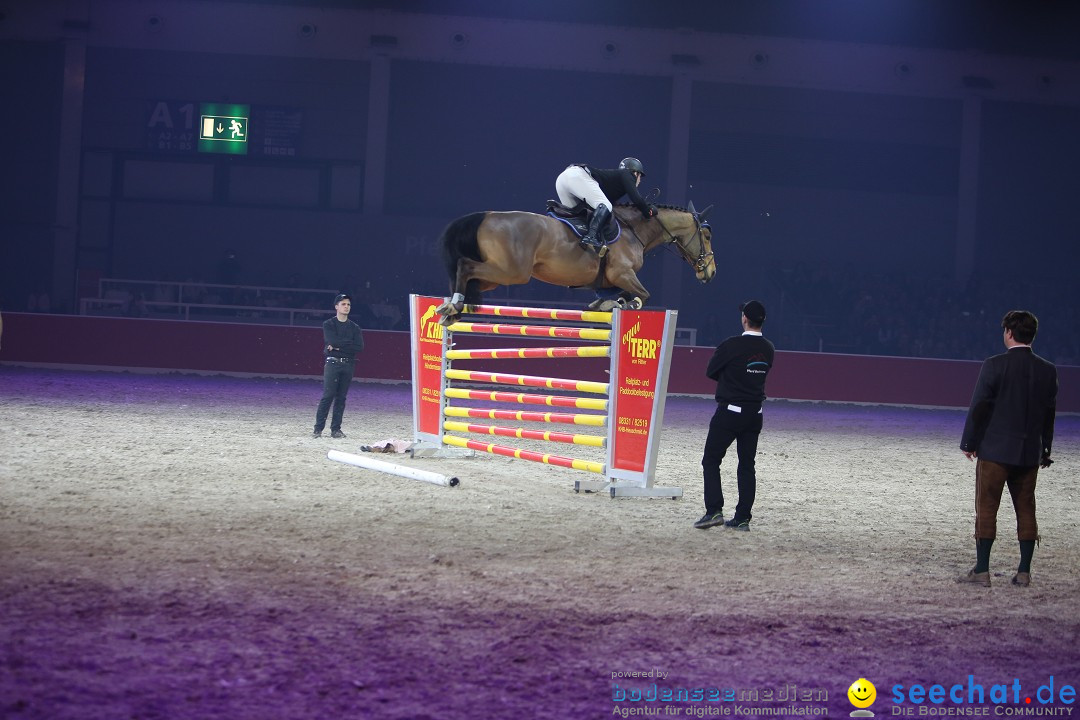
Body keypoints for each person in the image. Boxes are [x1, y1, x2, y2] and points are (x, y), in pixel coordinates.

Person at [957, 310, 1057, 587]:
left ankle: (982, 571)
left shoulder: (994, 365)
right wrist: (1044, 450)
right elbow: (1049, 414)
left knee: (987, 508)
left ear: (1009, 333)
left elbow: (980, 406)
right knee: (1026, 508)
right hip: (1028, 453)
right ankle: (1023, 572)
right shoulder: (1048, 370)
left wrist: (969, 443)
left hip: (995, 452)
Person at [694, 300, 776, 532]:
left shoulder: (731, 345)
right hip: (755, 414)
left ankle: (714, 510)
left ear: (744, 319)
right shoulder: (769, 348)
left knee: (711, 460)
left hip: (730, 412)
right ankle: (742, 518)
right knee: (747, 465)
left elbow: (711, 371)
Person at [554, 157, 658, 255]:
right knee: (605, 205)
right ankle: (591, 237)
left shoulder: (614, 181)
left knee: (578, 218)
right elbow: (637, 199)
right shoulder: (628, 174)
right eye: (640, 176)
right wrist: (648, 210)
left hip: (562, 180)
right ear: (635, 173)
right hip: (576, 175)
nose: (640, 180)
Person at [313, 293, 365, 439]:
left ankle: (336, 429)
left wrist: (336, 347)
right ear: (336, 306)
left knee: (341, 398)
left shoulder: (355, 327)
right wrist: (344, 344)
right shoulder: (328, 324)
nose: (346, 307)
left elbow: (359, 347)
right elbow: (332, 340)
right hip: (333, 363)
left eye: (348, 304)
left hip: (348, 364)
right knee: (328, 395)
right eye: (343, 304)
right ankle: (318, 428)